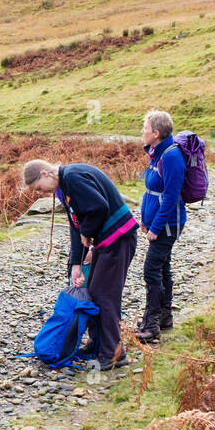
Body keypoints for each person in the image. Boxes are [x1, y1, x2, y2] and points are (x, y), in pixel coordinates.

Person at [22, 158, 138, 369]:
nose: (41, 193)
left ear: (45, 174)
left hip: (119, 239)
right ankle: (97, 345)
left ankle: (114, 355)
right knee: (92, 294)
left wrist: (87, 232)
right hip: (106, 243)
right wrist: (76, 263)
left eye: (39, 188)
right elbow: (76, 225)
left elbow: (98, 207)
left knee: (105, 297)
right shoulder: (64, 188)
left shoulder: (73, 177)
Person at [137, 110, 187, 341]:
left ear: (156, 133)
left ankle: (151, 325)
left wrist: (156, 227)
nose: (142, 131)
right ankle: (164, 317)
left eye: (145, 128)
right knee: (162, 267)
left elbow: (170, 197)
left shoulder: (171, 157)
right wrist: (145, 221)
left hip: (168, 225)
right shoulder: (156, 153)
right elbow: (152, 191)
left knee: (151, 269)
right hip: (158, 223)